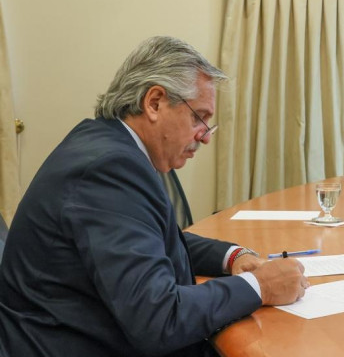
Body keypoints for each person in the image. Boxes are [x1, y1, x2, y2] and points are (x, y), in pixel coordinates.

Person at [0, 37, 309, 357]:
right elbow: (158, 319)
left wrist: (232, 257)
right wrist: (261, 287)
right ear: (155, 102)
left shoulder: (103, 143)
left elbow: (150, 239)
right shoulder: (109, 170)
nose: (204, 137)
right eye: (198, 118)